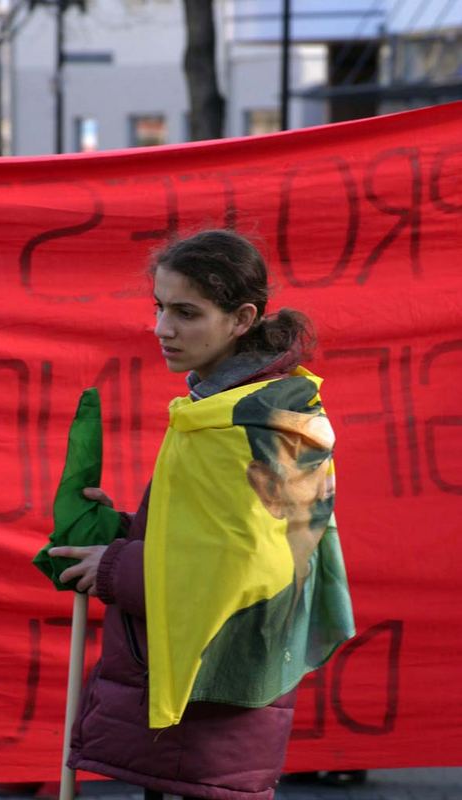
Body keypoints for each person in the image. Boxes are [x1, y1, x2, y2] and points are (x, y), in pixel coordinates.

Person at [48, 229, 355, 800]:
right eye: (160, 307)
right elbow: (207, 537)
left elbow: (246, 566)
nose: (163, 329)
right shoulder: (226, 408)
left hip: (209, 692)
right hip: (198, 683)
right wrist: (120, 531)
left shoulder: (243, 423)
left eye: (187, 312)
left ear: (242, 318)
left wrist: (114, 567)